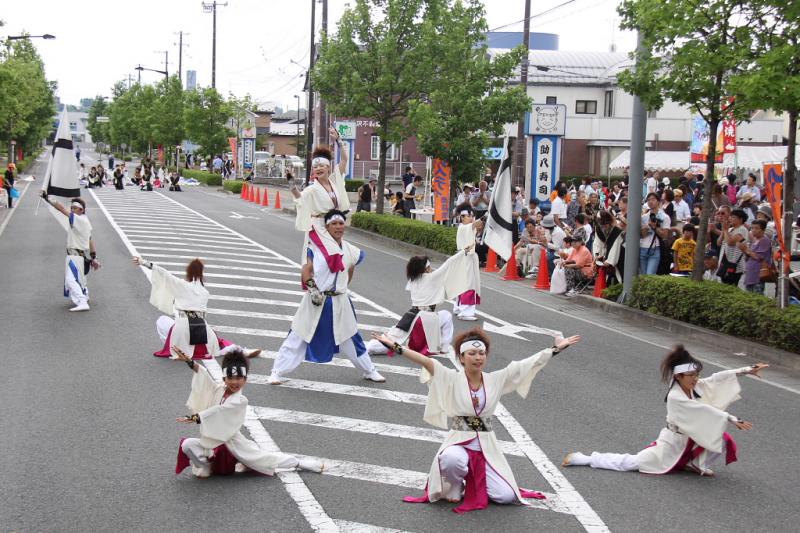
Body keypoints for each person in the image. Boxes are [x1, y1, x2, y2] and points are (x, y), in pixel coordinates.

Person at [371, 328, 580, 513]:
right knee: (452, 460)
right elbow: (425, 361)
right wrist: (396, 347)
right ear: (462, 357)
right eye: (472, 353)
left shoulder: (496, 379)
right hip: (459, 441)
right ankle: (458, 484)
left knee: (506, 497)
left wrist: (555, 349)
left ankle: (480, 481)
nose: (478, 357)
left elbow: (525, 365)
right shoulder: (451, 377)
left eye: (481, 353)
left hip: (486, 447)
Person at [563, 346, 768, 477]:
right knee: (634, 463)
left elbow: (717, 379)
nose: (695, 379)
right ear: (679, 377)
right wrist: (733, 418)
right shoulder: (676, 396)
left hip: (692, 436)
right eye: (691, 376)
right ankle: (585, 458)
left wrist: (747, 370)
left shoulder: (693, 386)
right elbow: (703, 410)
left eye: (696, 375)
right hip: (673, 442)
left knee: (722, 440)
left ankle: (695, 464)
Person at [268, 210, 385, 385]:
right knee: (298, 335)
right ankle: (277, 371)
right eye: (334, 224)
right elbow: (306, 270)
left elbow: (351, 269)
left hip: (340, 301)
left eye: (341, 223)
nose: (338, 227)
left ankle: (369, 370)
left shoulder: (351, 250)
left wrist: (341, 288)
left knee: (352, 338)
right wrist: (313, 288)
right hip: (316, 299)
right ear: (327, 226)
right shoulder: (315, 246)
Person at [174, 347, 324, 478]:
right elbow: (205, 376)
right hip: (212, 444)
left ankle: (300, 463)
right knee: (187, 445)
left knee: (267, 459)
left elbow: (219, 411)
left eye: (239, 378)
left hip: (233, 446)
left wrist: (197, 417)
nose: (235, 382)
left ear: (245, 379)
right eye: (231, 378)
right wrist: (190, 362)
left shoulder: (240, 400)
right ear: (224, 378)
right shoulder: (219, 389)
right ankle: (206, 466)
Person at [133, 256, 261, 360]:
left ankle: (173, 345)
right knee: (218, 341)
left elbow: (164, 273)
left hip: (182, 329)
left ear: (188, 272)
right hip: (201, 330)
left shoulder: (182, 285)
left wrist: (143, 262)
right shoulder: (205, 292)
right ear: (202, 273)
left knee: (162, 320)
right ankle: (241, 350)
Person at [365, 248, 477, 362]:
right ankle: (443, 347)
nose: (431, 269)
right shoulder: (431, 278)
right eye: (429, 267)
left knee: (393, 338)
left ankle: (370, 347)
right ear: (424, 269)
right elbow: (449, 263)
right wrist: (464, 252)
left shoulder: (412, 280)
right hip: (427, 319)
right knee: (447, 316)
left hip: (411, 316)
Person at [291, 127, 351, 266]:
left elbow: (344, 159)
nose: (318, 169)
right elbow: (299, 197)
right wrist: (291, 183)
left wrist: (339, 140)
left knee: (347, 258)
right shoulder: (312, 189)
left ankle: (331, 286)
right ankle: (312, 283)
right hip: (318, 226)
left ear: (328, 167)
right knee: (329, 258)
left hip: (333, 225)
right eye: (315, 167)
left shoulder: (335, 180)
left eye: (321, 166)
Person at [39, 193, 100, 311]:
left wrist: (47, 198)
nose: (72, 210)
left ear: (81, 210)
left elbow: (61, 209)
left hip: (75, 255)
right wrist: (94, 257)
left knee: (70, 279)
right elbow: (90, 240)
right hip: (80, 256)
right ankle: (85, 295)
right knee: (79, 278)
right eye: (71, 208)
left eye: (74, 208)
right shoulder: (85, 220)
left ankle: (82, 301)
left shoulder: (78, 219)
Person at [452, 204, 483, 321]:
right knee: (469, 284)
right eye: (468, 216)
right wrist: (487, 215)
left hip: (464, 257)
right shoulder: (465, 227)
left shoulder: (465, 227)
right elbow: (477, 224)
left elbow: (476, 225)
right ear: (462, 217)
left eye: (471, 215)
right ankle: (466, 311)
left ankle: (459, 307)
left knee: (462, 283)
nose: (471, 218)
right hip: (466, 257)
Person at [640, 192, 672, 275]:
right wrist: (646, 229)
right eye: (649, 200)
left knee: (650, 275)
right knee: (643, 276)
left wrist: (655, 227)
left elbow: (665, 235)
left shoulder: (664, 217)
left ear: (658, 201)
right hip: (642, 247)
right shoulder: (644, 217)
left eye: (653, 199)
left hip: (655, 248)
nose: (650, 202)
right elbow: (642, 235)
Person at [739, 219, 772, 294]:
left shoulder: (765, 240)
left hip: (758, 274)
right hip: (751, 273)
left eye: (756, 228)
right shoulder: (755, 240)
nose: (753, 230)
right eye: (752, 228)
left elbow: (758, 257)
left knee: (757, 296)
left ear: (763, 230)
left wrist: (746, 249)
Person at [717, 209, 748, 286]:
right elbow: (719, 242)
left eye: (733, 217)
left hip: (735, 265)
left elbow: (730, 242)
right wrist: (724, 230)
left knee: (732, 286)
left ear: (740, 219)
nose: (730, 218)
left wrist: (725, 230)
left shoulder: (742, 229)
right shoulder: (730, 229)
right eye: (730, 217)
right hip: (725, 263)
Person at [592, 210, 624, 285]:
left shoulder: (617, 231)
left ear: (610, 223)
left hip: (618, 256)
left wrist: (610, 261)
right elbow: (597, 244)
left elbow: (615, 247)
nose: (604, 227)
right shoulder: (598, 229)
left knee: (618, 275)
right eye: (602, 225)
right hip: (604, 255)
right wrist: (597, 255)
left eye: (606, 224)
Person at [560, 228, 593, 296]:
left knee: (568, 269)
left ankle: (571, 289)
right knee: (562, 266)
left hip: (585, 273)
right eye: (572, 241)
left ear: (581, 242)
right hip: (578, 270)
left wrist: (566, 265)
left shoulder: (584, 250)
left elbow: (578, 265)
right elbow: (569, 260)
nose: (573, 243)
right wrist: (563, 262)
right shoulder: (574, 249)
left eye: (575, 241)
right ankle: (565, 287)